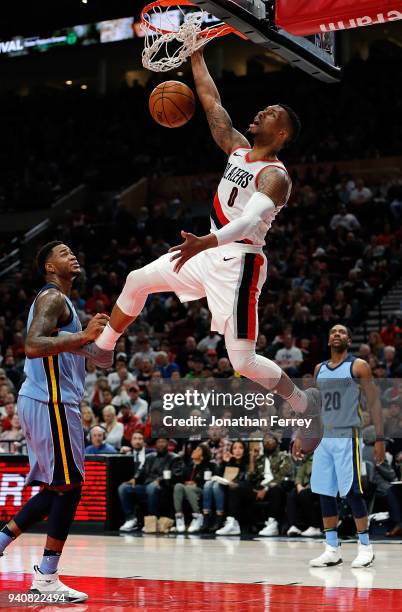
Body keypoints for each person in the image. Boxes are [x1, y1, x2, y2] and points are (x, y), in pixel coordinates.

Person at [77, 48, 320, 426]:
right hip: (205, 249)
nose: (261, 112)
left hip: (240, 262)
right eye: (264, 109)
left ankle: (304, 402)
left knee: (242, 360)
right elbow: (211, 103)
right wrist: (196, 55)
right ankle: (105, 346)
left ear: (282, 133)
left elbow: (249, 221)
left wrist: (206, 242)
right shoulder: (238, 149)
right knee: (136, 280)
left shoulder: (276, 176)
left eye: (271, 113)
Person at [0, 241, 108, 602]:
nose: (71, 254)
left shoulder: (64, 304)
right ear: (49, 267)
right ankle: (46, 577)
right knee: (68, 487)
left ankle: (4, 544)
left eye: (71, 250)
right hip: (51, 403)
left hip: (48, 402)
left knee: (59, 487)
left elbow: (84, 351)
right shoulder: (53, 298)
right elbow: (32, 345)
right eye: (62, 252)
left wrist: (95, 342)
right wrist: (84, 336)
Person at [293, 324, 385, 568]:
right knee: (324, 491)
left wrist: (380, 439)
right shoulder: (319, 369)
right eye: (332, 331)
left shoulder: (358, 366)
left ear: (349, 339)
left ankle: (366, 547)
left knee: (353, 490)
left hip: (348, 435)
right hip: (325, 438)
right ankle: (331, 548)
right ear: (328, 340)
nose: (336, 334)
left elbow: (374, 402)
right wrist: (302, 435)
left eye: (342, 332)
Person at [249, 432, 293, 536]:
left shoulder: (284, 456)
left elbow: (282, 476)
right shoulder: (260, 459)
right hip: (260, 488)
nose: (267, 442)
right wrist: (252, 460)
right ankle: (241, 523)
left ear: (277, 443)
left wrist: (265, 489)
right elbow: (252, 478)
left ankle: (272, 523)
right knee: (243, 488)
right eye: (265, 441)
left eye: (270, 440)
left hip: (277, 488)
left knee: (275, 489)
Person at [174, 444, 214, 534]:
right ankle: (179, 517)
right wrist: (185, 482)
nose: (194, 451)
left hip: (201, 490)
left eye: (198, 450)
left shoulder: (206, 467)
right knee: (178, 486)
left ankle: (198, 516)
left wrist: (196, 483)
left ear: (202, 457)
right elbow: (181, 479)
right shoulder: (188, 466)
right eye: (195, 449)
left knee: (189, 488)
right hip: (188, 489)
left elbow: (207, 482)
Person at [119, 431, 152, 532]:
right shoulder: (126, 454)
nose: (137, 441)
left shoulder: (151, 453)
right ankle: (131, 519)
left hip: (146, 484)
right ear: (131, 441)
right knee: (123, 488)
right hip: (132, 485)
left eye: (140, 439)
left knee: (151, 489)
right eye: (135, 438)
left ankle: (150, 520)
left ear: (144, 442)